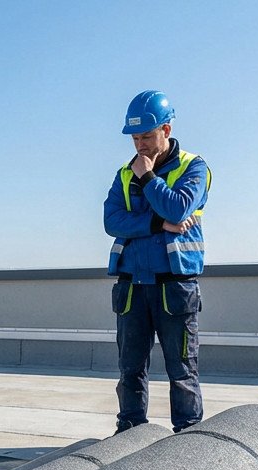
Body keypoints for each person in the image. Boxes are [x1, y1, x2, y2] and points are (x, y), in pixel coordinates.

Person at [104, 89, 211, 434]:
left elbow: (178, 207)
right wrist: (157, 223)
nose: (140, 145)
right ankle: (130, 432)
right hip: (133, 286)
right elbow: (111, 221)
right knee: (130, 367)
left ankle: (188, 435)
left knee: (182, 370)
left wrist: (149, 178)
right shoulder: (124, 173)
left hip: (174, 287)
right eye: (135, 138)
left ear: (166, 129)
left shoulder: (194, 167)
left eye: (147, 136)